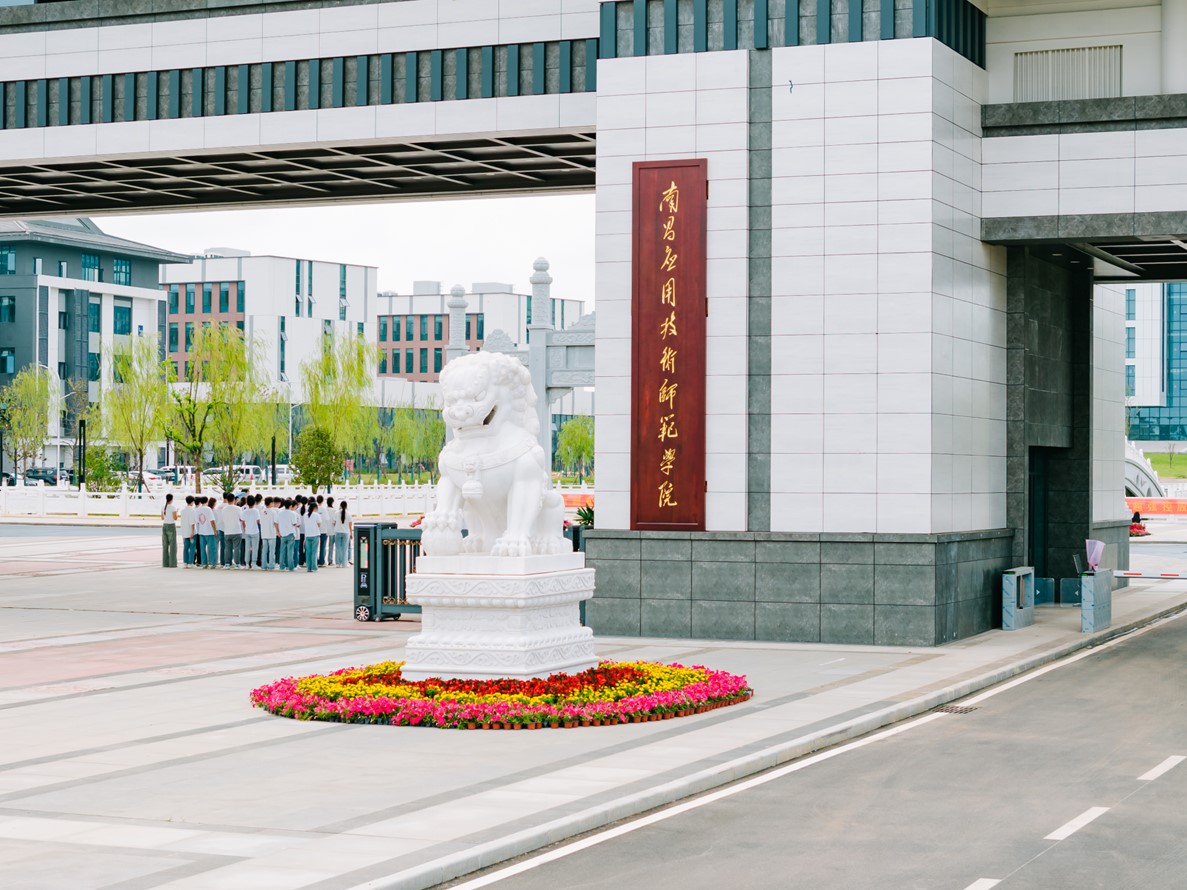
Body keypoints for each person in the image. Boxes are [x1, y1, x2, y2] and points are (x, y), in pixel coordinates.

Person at [220, 492, 243, 569]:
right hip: (236, 530)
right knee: (236, 548)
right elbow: (242, 518)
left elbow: (223, 519)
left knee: (227, 548)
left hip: (227, 531)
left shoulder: (224, 509)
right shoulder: (238, 508)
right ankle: (237, 564)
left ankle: (227, 563)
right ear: (234, 499)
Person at [195, 496, 217, 569]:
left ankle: (204, 563)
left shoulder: (198, 510)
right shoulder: (208, 509)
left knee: (202, 549)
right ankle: (213, 563)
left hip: (201, 532)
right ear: (207, 501)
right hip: (209, 531)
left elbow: (197, 521)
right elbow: (212, 521)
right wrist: (214, 530)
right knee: (212, 548)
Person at [302, 499, 322, 572]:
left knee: (308, 552)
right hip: (315, 534)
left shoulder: (305, 515)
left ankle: (309, 567)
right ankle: (314, 567)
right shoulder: (316, 515)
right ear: (315, 508)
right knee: (314, 552)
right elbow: (319, 524)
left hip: (307, 535)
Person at [242, 495, 261, 571]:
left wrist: (245, 528)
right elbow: (258, 521)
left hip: (247, 531)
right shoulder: (256, 511)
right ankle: (253, 563)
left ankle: (247, 564)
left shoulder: (244, 511)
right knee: (255, 548)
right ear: (254, 502)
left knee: (247, 548)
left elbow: (243, 522)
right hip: (255, 531)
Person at [161, 493, 179, 567]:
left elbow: (162, 518)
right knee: (172, 545)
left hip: (164, 525)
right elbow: (175, 518)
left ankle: (165, 563)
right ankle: (172, 563)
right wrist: (177, 512)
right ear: (171, 499)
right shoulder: (173, 507)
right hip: (171, 525)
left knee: (165, 545)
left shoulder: (163, 507)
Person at [260, 496, 277, 570]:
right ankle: (271, 565)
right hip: (271, 533)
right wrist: (278, 531)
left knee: (264, 550)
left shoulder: (261, 511)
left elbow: (260, 522)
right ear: (270, 503)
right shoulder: (273, 512)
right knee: (271, 551)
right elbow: (275, 523)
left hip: (264, 533)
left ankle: (263, 565)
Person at [334, 499, 352, 568]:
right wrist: (351, 533)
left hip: (338, 531)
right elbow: (350, 525)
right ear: (346, 506)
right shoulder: (349, 514)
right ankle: (344, 563)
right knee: (345, 548)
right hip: (346, 532)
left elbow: (334, 522)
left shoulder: (336, 513)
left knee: (338, 548)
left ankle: (338, 563)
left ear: (340, 506)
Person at [180, 495, 196, 568]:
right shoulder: (192, 510)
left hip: (184, 531)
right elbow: (192, 522)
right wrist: (192, 531)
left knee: (186, 547)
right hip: (191, 531)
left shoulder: (182, 510)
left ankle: (185, 563)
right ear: (192, 502)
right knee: (192, 547)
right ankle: (190, 563)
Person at [316, 494, 329, 566]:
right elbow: (327, 519)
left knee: (315, 547)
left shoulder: (315, 509)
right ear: (323, 501)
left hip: (316, 531)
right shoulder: (324, 509)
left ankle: (316, 560)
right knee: (323, 546)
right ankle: (321, 561)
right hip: (323, 530)